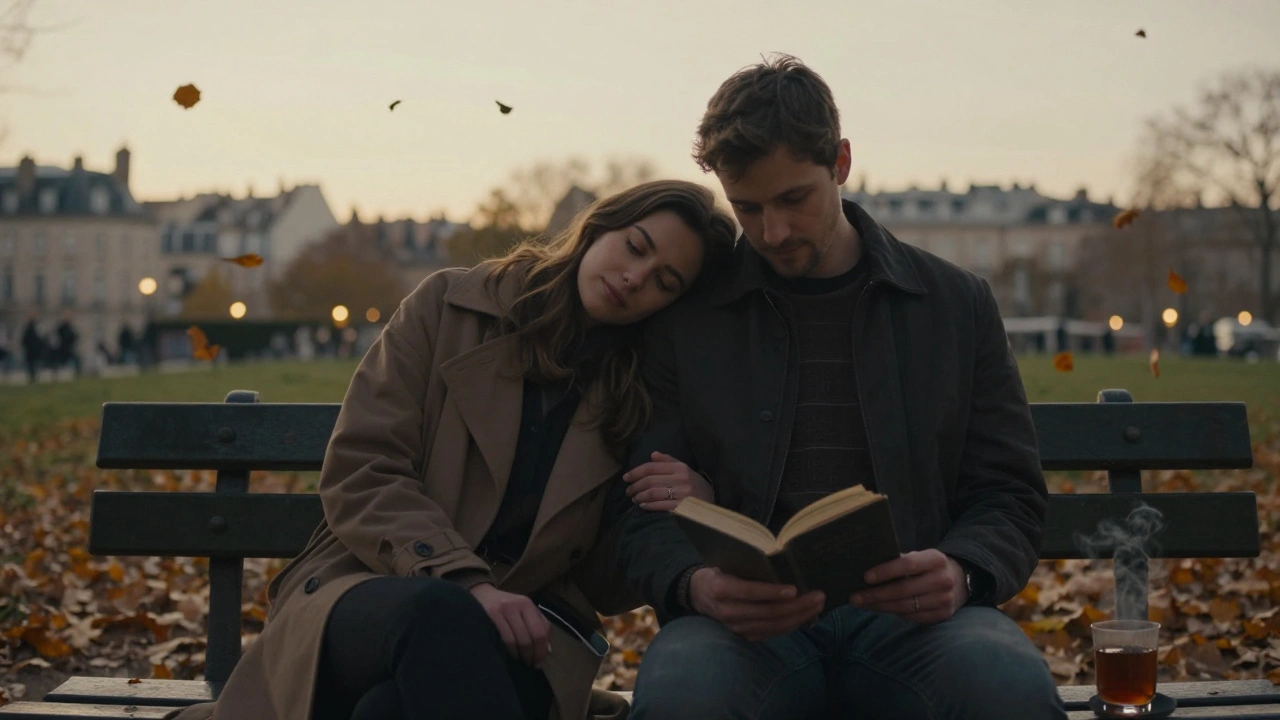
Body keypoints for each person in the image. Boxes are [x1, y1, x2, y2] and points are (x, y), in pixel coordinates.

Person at [164, 180, 736, 720]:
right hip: (374, 588)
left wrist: (689, 509)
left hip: (526, 635)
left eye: (665, 282)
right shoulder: (450, 307)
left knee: (388, 711)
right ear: (599, 226)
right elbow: (364, 470)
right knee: (440, 615)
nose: (635, 278)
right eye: (635, 247)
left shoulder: (638, 394)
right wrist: (467, 583)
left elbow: (606, 583)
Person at [609, 56, 1066, 719]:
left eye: (794, 199)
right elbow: (641, 511)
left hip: (918, 624)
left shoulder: (955, 304)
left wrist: (962, 569)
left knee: (1009, 689)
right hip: (743, 628)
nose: (772, 232)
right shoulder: (687, 318)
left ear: (841, 162)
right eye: (747, 207)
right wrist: (695, 584)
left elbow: (1010, 493)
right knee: (684, 697)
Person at [21, 312, 44, 384]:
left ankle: (34, 378)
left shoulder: (37, 326)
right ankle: (32, 378)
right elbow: (25, 339)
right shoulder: (29, 327)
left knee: (34, 365)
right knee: (31, 365)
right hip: (31, 349)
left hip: (35, 350)